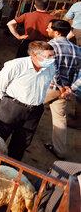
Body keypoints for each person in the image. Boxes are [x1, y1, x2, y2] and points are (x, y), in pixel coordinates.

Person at [0, 41, 56, 161]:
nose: (52, 59)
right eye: (49, 56)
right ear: (35, 55)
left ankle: (10, 168)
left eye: (53, 56)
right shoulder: (16, 65)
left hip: (35, 110)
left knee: (22, 143)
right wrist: (7, 100)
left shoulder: (50, 68)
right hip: (13, 106)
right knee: (0, 137)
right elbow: (0, 83)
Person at [43, 19, 80, 160]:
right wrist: (70, 89)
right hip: (64, 92)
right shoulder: (77, 49)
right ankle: (60, 151)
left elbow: (52, 69)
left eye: (49, 28)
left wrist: (60, 86)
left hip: (49, 87)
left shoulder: (50, 46)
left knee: (27, 108)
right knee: (59, 119)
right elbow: (79, 73)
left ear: (57, 32)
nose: (47, 30)